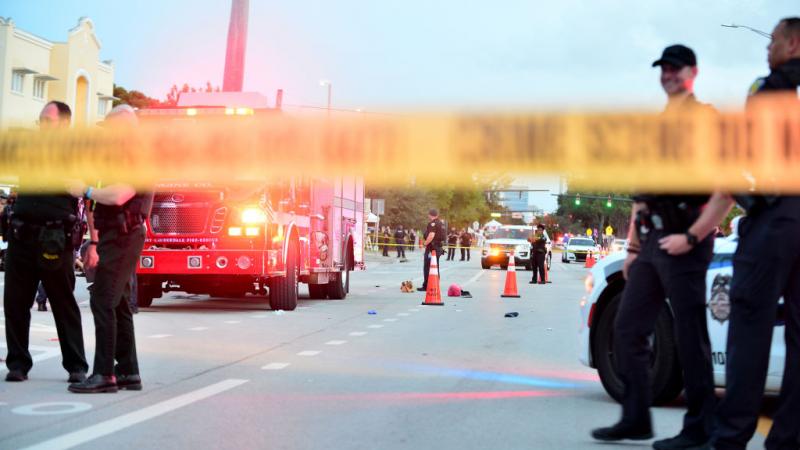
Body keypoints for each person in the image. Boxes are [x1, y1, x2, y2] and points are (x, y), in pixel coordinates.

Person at [591, 45, 726, 449]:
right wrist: (633, 248)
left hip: (686, 238)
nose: (668, 74)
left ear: (693, 72)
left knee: (689, 336)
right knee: (628, 327)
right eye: (663, 68)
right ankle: (635, 418)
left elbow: (726, 187)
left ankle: (701, 428)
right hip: (651, 242)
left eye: (675, 68)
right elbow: (642, 195)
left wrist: (693, 236)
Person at [707, 18, 800, 450]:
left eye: (774, 41)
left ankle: (732, 436)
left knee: (749, 325)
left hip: (777, 216)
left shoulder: (771, 87)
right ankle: (787, 437)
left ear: (793, 44)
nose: (768, 48)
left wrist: (750, 199)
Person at [68, 105, 153, 394]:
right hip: (115, 236)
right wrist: (94, 240)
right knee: (116, 302)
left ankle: (104, 374)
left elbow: (119, 195)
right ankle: (128, 371)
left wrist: (86, 189)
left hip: (125, 236)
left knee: (103, 300)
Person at [4, 101, 89, 383]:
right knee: (15, 302)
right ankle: (17, 364)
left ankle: (76, 366)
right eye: (40, 121)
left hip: (55, 238)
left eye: (47, 122)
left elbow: (84, 191)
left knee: (63, 303)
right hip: (22, 236)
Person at [417, 209, 445, 292]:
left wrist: (425, 244)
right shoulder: (441, 223)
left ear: (430, 215)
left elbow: (431, 235)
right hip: (438, 247)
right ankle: (435, 284)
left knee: (428, 267)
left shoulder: (433, 223)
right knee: (435, 267)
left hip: (432, 248)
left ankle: (426, 286)